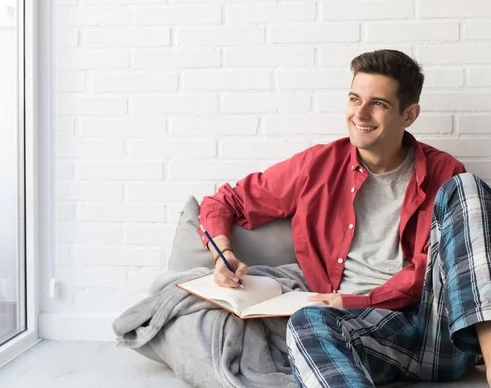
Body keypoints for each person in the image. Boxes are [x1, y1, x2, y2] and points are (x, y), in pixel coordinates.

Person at [198, 49, 491, 387]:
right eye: (355, 99)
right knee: (307, 321)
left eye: (378, 103)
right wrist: (225, 255)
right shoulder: (318, 166)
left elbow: (426, 269)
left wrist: (360, 299)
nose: (360, 113)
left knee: (466, 187)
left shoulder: (443, 171)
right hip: (364, 335)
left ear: (409, 114)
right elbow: (224, 202)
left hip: (437, 331)